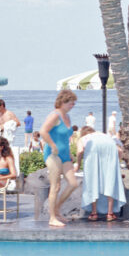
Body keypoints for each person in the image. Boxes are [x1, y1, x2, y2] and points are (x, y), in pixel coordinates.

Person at [39, 90, 79, 227]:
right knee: (55, 186)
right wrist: (52, 145)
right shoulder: (54, 115)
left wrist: (70, 153)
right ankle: (52, 218)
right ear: (62, 102)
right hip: (53, 155)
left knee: (73, 183)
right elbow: (43, 131)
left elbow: (65, 137)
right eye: (70, 102)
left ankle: (56, 209)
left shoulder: (67, 117)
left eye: (74, 102)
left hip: (65, 155)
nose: (73, 105)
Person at [76, 127, 126, 221]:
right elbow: (120, 151)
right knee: (110, 179)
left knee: (92, 180)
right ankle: (110, 213)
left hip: (93, 147)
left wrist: (78, 165)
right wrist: (116, 164)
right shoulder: (105, 136)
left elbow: (80, 151)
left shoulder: (83, 138)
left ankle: (94, 213)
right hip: (110, 146)